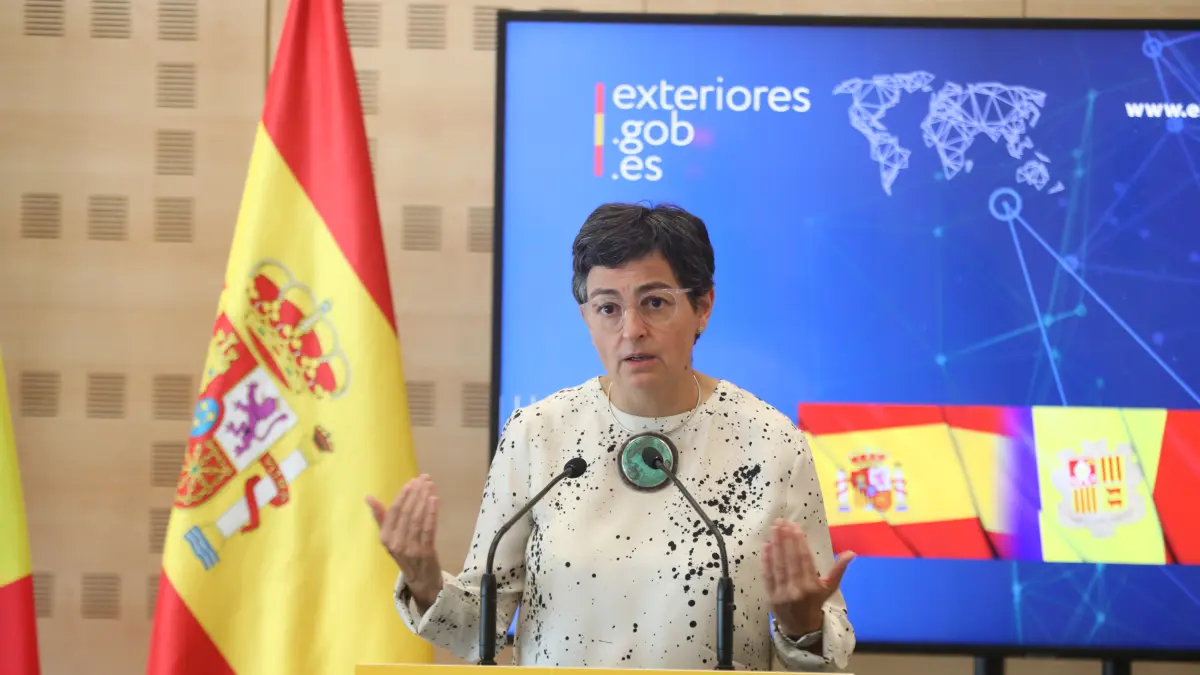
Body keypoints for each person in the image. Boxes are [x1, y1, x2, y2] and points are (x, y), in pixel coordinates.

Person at [367, 202, 856, 671]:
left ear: (703, 306)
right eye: (608, 308)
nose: (632, 329)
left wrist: (803, 626)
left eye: (655, 303)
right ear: (586, 317)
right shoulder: (538, 433)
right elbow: (477, 632)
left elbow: (827, 654)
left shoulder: (769, 442)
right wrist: (424, 580)